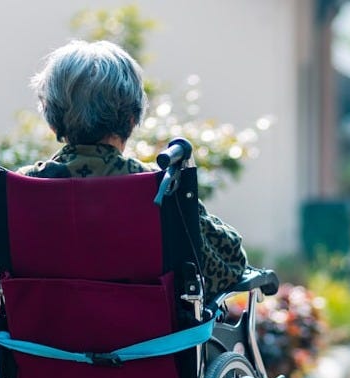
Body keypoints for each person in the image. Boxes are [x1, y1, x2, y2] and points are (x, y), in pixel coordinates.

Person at [20, 39, 248, 296]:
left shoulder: (21, 189)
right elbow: (231, 263)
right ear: (131, 118)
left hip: (43, 321)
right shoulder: (160, 187)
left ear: (52, 121)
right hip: (145, 321)